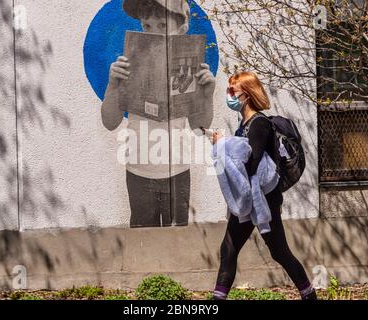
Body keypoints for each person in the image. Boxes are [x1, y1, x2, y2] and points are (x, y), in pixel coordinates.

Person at [101, 0, 215, 228]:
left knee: (177, 241)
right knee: (144, 241)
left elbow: (199, 127)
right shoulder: (127, 66)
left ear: (182, 30)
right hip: (139, 169)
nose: (152, 33)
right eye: (146, 26)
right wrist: (113, 85)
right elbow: (110, 122)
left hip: (178, 170)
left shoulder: (191, 68)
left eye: (162, 26)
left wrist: (207, 95)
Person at [211, 71, 317, 300]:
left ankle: (309, 295)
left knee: (279, 252)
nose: (228, 95)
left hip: (264, 201)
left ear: (246, 95)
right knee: (228, 249)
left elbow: (251, 162)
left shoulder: (259, 124)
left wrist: (223, 146)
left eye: (232, 91)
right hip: (250, 200)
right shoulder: (244, 125)